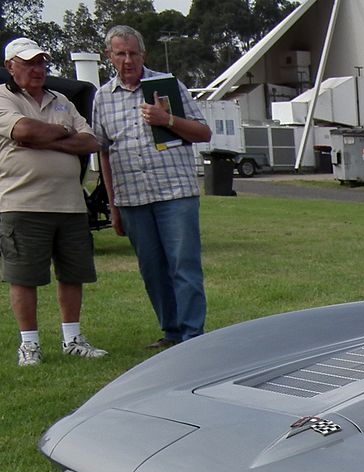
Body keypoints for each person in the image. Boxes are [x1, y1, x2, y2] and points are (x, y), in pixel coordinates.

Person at [92, 25, 211, 349]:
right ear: (109, 56)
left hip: (174, 193)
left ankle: (191, 337)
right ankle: (171, 333)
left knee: (183, 267)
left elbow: (203, 133)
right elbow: (104, 151)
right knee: (153, 271)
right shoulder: (102, 97)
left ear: (143, 54)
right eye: (120, 53)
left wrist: (166, 120)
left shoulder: (166, 86)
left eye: (133, 53)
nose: (127, 60)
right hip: (132, 198)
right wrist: (113, 205)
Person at [0, 37, 107, 367]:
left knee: (72, 274)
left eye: (41, 62)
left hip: (70, 204)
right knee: (24, 276)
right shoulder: (3, 97)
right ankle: (29, 344)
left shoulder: (61, 100)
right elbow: (24, 132)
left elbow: (91, 141)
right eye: (29, 63)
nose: (37, 69)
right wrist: (62, 135)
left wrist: (48, 138)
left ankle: (72, 339)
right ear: (10, 67)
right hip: (22, 202)